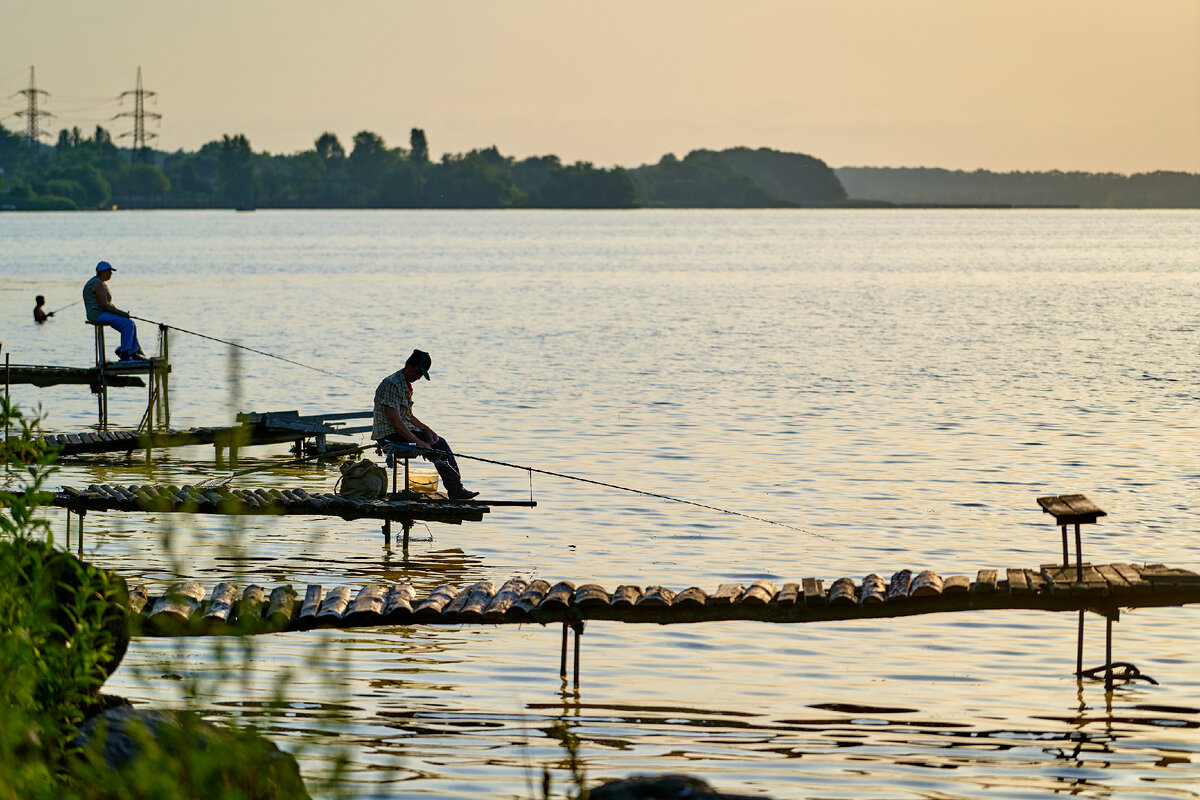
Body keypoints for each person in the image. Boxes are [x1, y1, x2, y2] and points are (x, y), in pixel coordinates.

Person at [372, 349, 478, 500]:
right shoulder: (392, 384)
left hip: (400, 431)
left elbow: (407, 416)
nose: (418, 377)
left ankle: (456, 488)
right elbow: (396, 422)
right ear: (407, 364)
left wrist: (426, 429)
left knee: (438, 441)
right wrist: (419, 442)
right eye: (416, 372)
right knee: (438, 446)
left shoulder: (405, 384)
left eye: (421, 375)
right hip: (388, 436)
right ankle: (455, 490)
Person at [82, 261, 146, 362]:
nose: (111, 274)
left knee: (130, 323)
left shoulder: (100, 282)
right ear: (103, 272)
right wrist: (122, 313)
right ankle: (125, 354)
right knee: (127, 324)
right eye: (109, 271)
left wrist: (122, 314)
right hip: (97, 315)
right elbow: (104, 305)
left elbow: (107, 305)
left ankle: (134, 353)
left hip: (101, 313)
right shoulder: (97, 284)